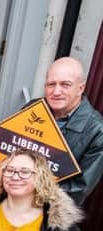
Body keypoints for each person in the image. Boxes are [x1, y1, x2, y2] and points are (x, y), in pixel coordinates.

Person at [41, 56, 103, 205]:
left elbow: (79, 188)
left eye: (65, 85)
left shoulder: (97, 131)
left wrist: (31, 191)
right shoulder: (34, 108)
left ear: (80, 88)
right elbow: (4, 151)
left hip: (50, 211)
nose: (56, 91)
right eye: (51, 84)